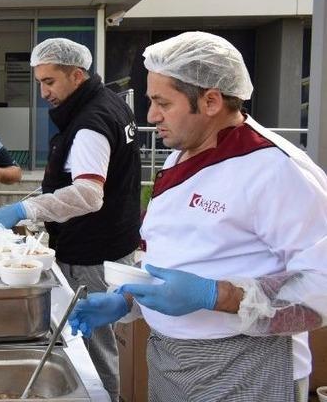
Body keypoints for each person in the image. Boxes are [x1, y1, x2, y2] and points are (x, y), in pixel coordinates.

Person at [68, 32, 327, 402]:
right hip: (172, 363)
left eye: (162, 103)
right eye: (150, 101)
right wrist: (129, 300)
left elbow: (321, 289)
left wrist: (213, 295)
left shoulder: (275, 170)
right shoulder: (181, 155)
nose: (151, 116)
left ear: (210, 101)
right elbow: (183, 252)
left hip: (246, 369)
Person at [0, 38, 141, 401]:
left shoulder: (90, 122)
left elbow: (88, 194)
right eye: (39, 81)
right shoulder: (109, 104)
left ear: (76, 75)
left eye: (50, 81)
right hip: (110, 244)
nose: (43, 92)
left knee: (94, 351)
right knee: (98, 344)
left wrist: (26, 210)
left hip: (91, 253)